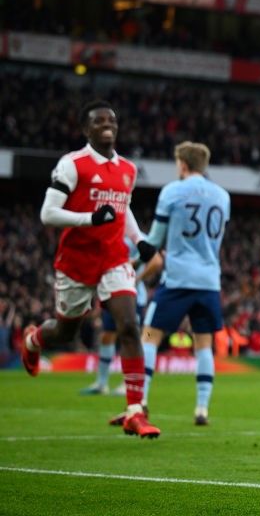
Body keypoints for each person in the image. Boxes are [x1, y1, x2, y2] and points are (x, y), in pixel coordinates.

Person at [21, 99, 160, 438]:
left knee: (129, 325)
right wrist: (89, 219)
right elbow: (47, 213)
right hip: (76, 262)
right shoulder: (73, 164)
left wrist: (138, 238)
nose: (106, 125)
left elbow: (121, 209)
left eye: (111, 120)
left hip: (114, 258)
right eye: (98, 121)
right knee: (67, 331)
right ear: (86, 129)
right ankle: (34, 340)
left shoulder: (127, 168)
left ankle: (134, 411)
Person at [137, 141, 230, 426]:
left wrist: (134, 259)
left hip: (177, 277)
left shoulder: (173, 191)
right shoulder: (222, 196)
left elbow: (153, 240)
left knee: (150, 336)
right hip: (208, 280)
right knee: (203, 343)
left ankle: (140, 401)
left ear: (183, 164)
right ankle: (201, 409)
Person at [80, 234, 163, 396]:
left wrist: (138, 279)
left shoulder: (138, 237)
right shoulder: (110, 234)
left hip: (134, 297)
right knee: (107, 336)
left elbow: (156, 261)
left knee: (134, 336)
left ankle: (130, 383)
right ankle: (102, 383)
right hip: (112, 294)